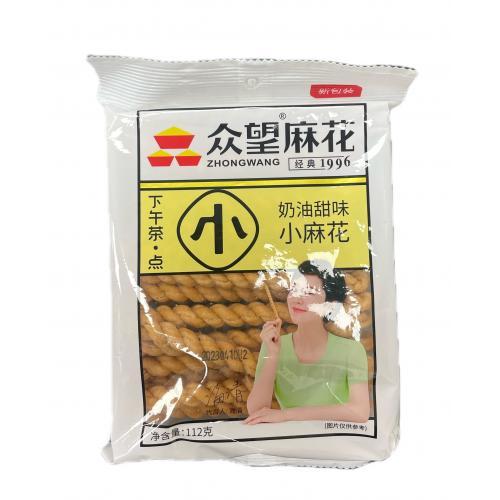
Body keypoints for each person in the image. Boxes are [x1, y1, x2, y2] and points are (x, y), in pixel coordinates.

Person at [245, 260, 370, 425]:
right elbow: (256, 412)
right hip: (289, 438)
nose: (297, 298)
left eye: (309, 292)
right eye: (294, 289)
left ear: (331, 306)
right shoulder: (273, 345)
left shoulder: (351, 351)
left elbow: (360, 412)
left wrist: (286, 415)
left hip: (334, 437)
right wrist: (273, 355)